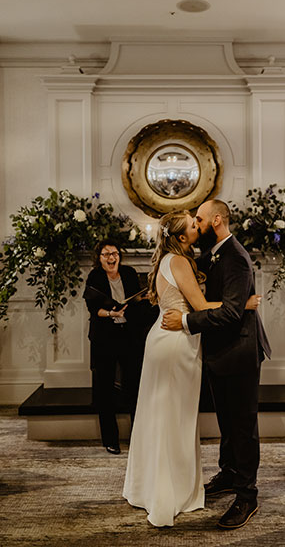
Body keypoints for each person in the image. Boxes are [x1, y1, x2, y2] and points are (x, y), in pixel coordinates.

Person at [122, 210, 260, 527]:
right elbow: (199, 306)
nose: (196, 224)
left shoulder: (173, 257)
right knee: (173, 418)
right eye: (191, 222)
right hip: (176, 342)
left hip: (168, 338)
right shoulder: (179, 261)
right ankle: (168, 491)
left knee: (161, 415)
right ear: (182, 237)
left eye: (197, 218)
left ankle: (152, 485)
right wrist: (242, 304)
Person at [162, 199, 271, 530]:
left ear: (217, 220)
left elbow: (230, 313)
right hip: (219, 351)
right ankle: (228, 472)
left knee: (242, 425)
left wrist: (184, 320)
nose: (196, 224)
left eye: (199, 219)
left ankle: (247, 495)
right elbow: (226, 301)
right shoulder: (211, 253)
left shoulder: (236, 258)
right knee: (226, 419)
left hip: (239, 350)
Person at [84, 239, 155, 455]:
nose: (111, 258)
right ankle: (111, 440)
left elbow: (138, 303)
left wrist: (147, 299)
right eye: (106, 254)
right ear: (99, 258)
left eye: (114, 253)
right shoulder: (95, 277)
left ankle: (138, 438)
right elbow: (93, 308)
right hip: (104, 337)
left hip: (128, 337)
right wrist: (111, 313)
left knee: (133, 387)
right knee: (105, 390)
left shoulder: (129, 273)